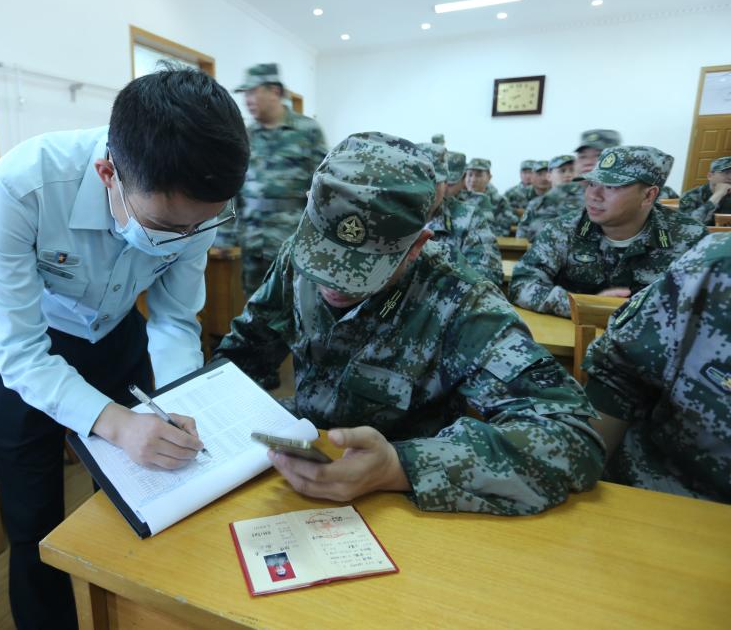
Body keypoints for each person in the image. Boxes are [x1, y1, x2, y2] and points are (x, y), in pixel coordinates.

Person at [0, 69, 248, 630]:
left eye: (200, 226)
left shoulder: (194, 205)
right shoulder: (24, 186)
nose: (185, 237)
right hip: (33, 352)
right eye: (166, 225)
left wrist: (172, 403)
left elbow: (174, 318)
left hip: (120, 338)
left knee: (148, 498)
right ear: (108, 175)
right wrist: (115, 423)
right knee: (33, 525)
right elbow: (15, 345)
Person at [213, 132, 604, 514]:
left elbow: (572, 437)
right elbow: (243, 354)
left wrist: (400, 466)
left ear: (417, 246)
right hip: (295, 470)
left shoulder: (460, 300)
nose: (332, 283)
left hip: (399, 504)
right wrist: (199, 410)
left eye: (360, 271)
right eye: (324, 258)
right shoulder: (295, 258)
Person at [583, 233, 730, 504]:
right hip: (665, 493)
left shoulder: (686, 232)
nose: (595, 200)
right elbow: (617, 374)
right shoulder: (714, 265)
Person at [510, 146, 707, 317]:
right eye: (592, 183)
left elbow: (708, 306)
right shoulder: (563, 229)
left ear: (649, 195)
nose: (594, 195)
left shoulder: (691, 239)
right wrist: (587, 305)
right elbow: (522, 284)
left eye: (611, 186)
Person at [221, 63, 327, 302]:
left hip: (293, 239)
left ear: (275, 91)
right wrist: (225, 233)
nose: (247, 100)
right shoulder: (245, 135)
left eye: (252, 92)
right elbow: (231, 186)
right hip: (252, 240)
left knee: (296, 303)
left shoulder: (307, 130)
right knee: (255, 303)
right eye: (245, 94)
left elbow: (323, 185)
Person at [417, 143, 503, 286]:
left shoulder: (469, 217)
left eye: (435, 181)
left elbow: (487, 275)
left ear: (445, 183)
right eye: (419, 180)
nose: (427, 189)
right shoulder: (390, 214)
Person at [516, 154, 578, 241]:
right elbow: (521, 236)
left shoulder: (589, 203)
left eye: (572, 170)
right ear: (549, 176)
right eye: (562, 171)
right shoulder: (536, 204)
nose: (568, 175)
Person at [461, 158, 518, 235]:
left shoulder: (499, 201)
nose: (473, 180)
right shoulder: (457, 198)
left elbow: (503, 229)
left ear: (489, 177)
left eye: (478, 175)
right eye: (470, 175)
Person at [679, 155, 731, 225]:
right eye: (726, 173)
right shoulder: (689, 196)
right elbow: (688, 225)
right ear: (710, 176)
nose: (730, 177)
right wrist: (717, 195)